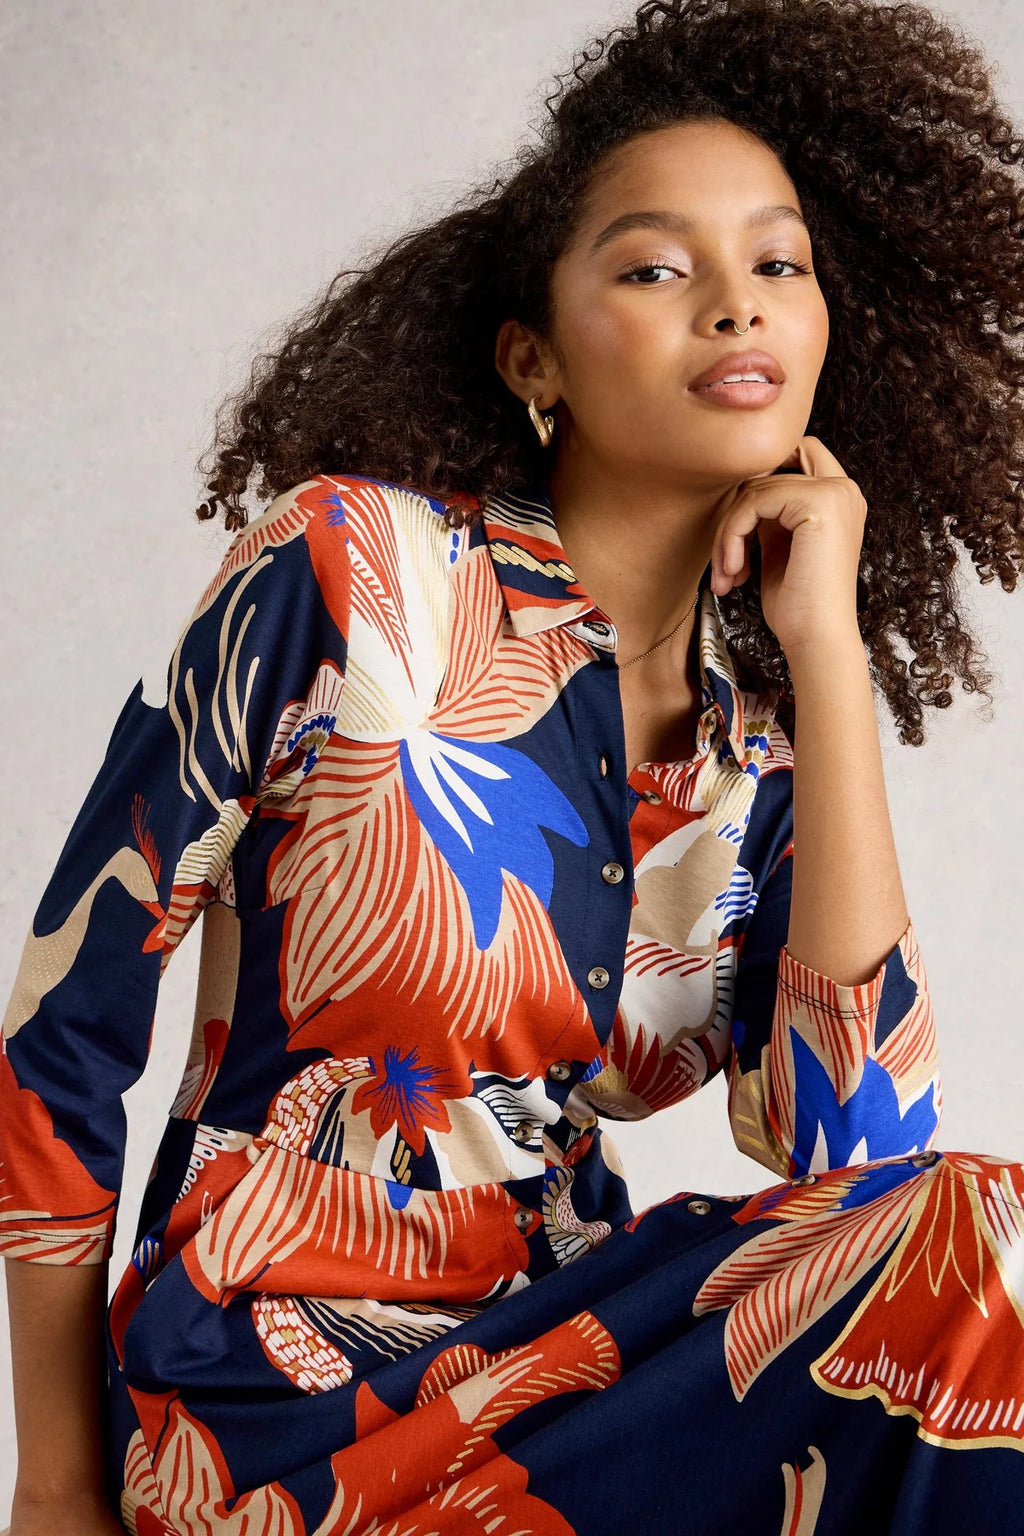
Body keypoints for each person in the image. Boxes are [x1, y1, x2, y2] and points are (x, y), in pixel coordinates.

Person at [4, 0, 1024, 1530]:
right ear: (532, 356)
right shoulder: (349, 574)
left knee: (989, 1245)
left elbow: (865, 1172)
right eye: (656, 268)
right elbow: (61, 1039)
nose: (735, 308)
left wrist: (829, 665)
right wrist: (57, 1484)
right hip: (270, 1396)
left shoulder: (756, 749)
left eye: (779, 264)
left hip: (566, 1372)